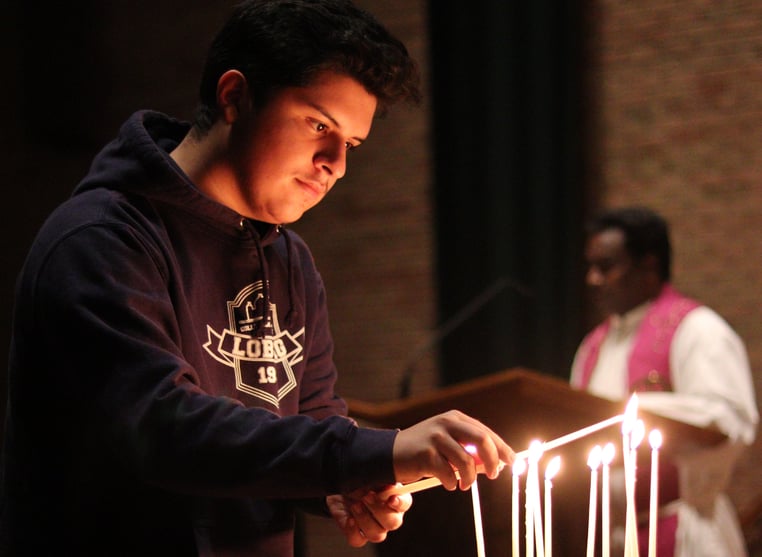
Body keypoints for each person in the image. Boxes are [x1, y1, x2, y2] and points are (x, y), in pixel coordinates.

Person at [0, 1, 514, 555]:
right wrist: (373, 452)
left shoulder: (290, 260)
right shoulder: (99, 238)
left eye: (353, 145)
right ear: (234, 97)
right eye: (320, 125)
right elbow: (162, 428)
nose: (336, 163)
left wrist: (337, 488)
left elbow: (313, 416)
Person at [570, 206, 758, 557]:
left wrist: (621, 414)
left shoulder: (699, 329)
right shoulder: (592, 346)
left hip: (684, 528)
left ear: (649, 266)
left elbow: (729, 419)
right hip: (608, 535)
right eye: (591, 267)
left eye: (606, 266)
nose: (592, 279)